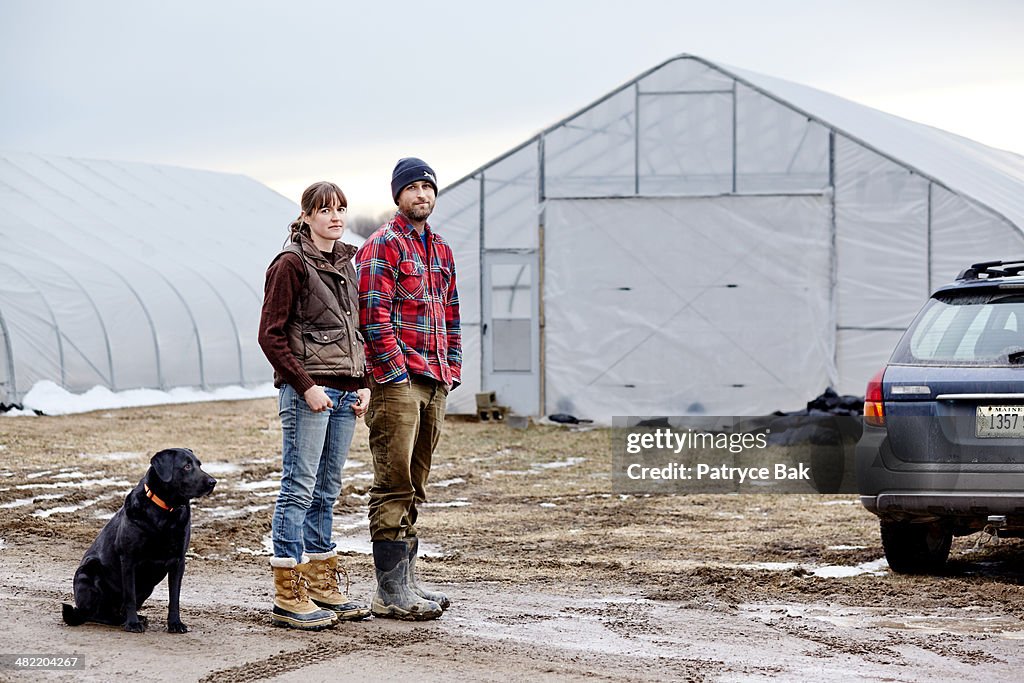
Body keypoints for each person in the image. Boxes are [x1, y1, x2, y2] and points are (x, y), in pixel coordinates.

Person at [258, 181, 371, 630]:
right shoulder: (290, 264)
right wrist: (305, 386)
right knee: (298, 487)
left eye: (341, 208)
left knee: (327, 489)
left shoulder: (347, 260)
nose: (335, 216)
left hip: (345, 393)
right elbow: (271, 334)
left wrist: (362, 383)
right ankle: (288, 592)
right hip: (311, 394)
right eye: (325, 209)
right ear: (306, 215)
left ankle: (323, 582)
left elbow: (353, 329)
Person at [355, 158, 461, 621]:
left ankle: (407, 582)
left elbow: (451, 314)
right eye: (413, 187)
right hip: (398, 383)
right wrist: (395, 373)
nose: (422, 194)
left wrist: (451, 368)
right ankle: (389, 592)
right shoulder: (383, 245)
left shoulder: (440, 249)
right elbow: (372, 317)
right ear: (397, 195)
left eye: (428, 186)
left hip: (435, 379)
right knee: (393, 480)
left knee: (416, 483)